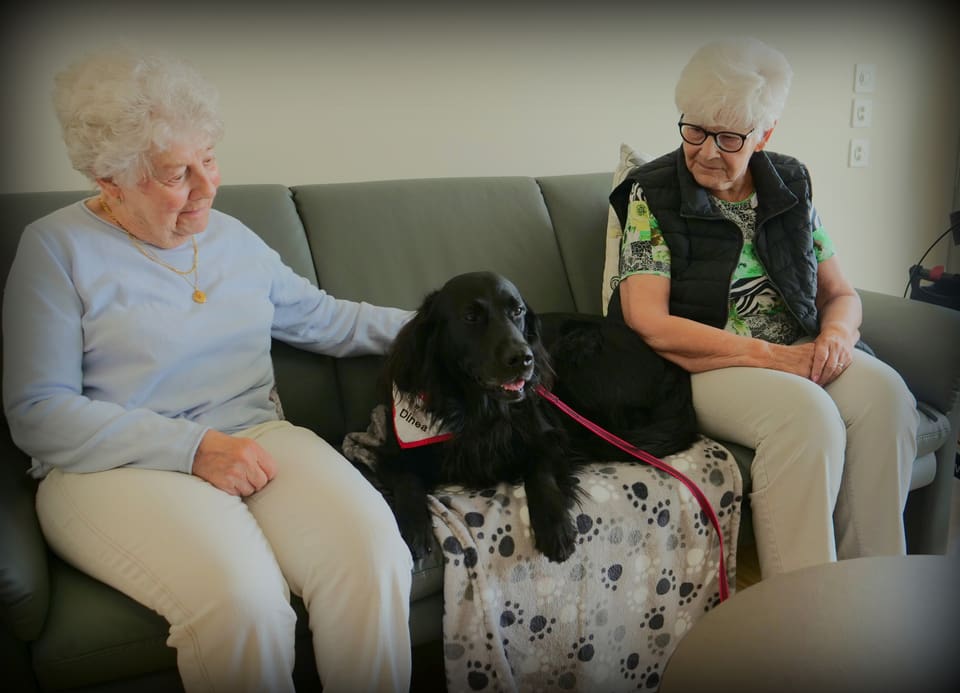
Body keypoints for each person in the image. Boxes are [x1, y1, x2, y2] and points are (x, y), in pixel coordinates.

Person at [2, 47, 415, 693]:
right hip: (112, 466)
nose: (206, 187)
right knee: (243, 602)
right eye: (175, 174)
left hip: (253, 435)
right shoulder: (55, 249)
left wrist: (444, 325)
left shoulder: (232, 238)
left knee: (374, 554)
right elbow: (38, 411)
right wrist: (192, 448)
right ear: (110, 178)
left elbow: (327, 319)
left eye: (210, 159)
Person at [607, 37, 919, 579]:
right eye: (695, 129)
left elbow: (840, 294)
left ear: (765, 134)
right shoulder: (650, 195)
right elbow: (647, 320)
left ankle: (875, 592)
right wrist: (776, 359)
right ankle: (803, 619)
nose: (706, 150)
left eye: (728, 138)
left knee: (888, 396)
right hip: (698, 364)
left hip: (795, 351)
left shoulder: (790, 186)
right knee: (807, 416)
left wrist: (838, 337)